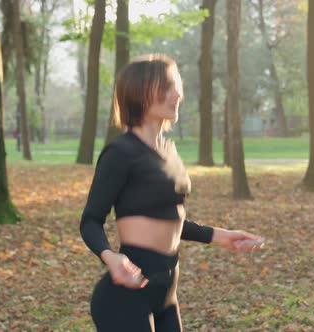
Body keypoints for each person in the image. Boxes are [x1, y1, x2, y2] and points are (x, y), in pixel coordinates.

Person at [79, 54, 265, 332]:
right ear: (140, 92)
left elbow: (170, 219)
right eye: (167, 87)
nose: (177, 94)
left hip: (166, 293)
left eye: (176, 86)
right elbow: (90, 220)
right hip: (126, 297)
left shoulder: (168, 151)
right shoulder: (120, 153)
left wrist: (221, 236)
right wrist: (111, 257)